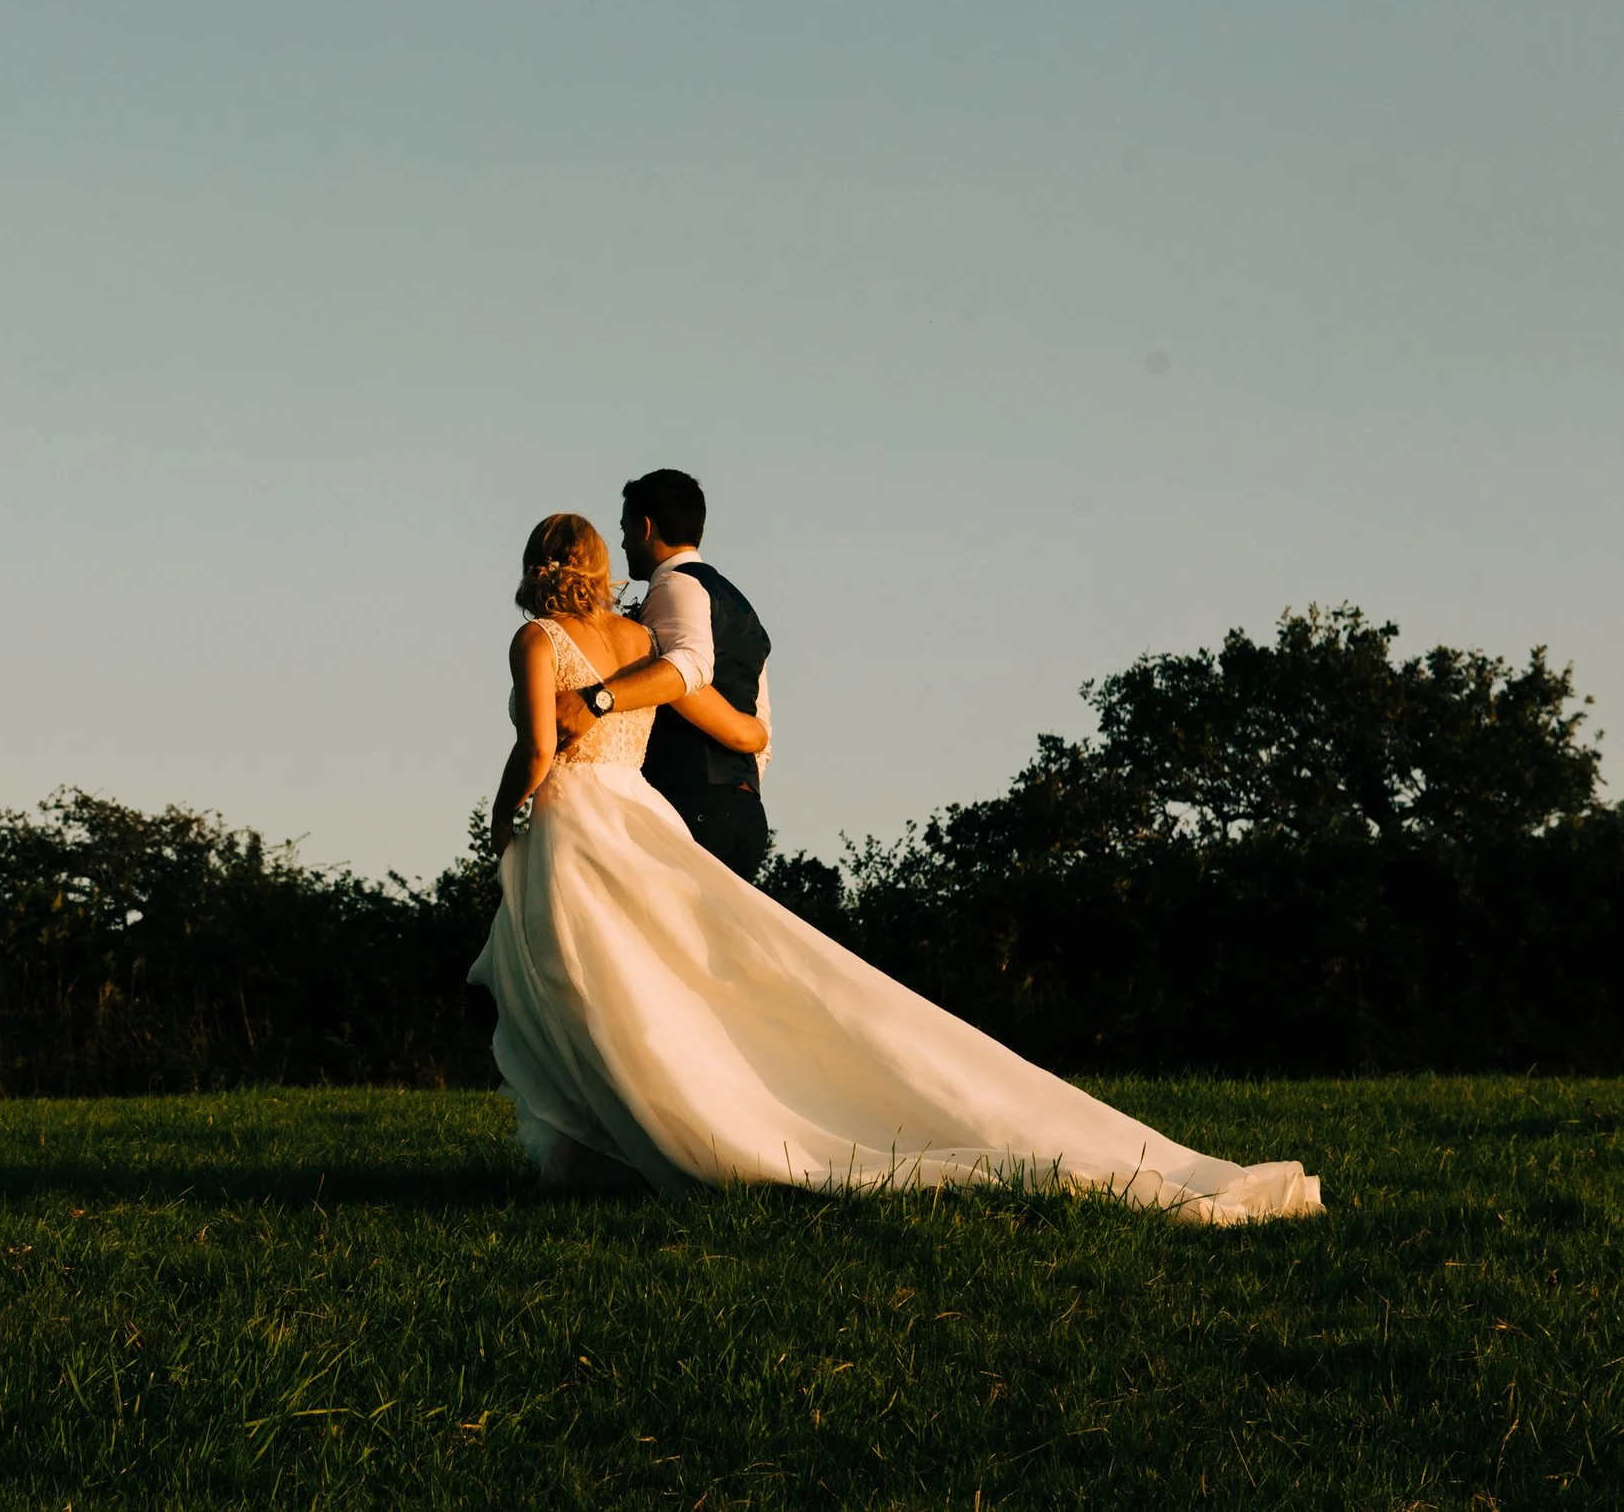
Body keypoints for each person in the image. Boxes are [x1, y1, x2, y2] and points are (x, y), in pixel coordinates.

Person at [468, 511, 1322, 1219]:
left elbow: (539, 746)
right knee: (659, 981)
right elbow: (740, 727)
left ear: (537, 564)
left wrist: (504, 823)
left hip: (577, 822)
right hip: (643, 817)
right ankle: (601, 1153)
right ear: (598, 564)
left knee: (583, 984)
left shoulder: (537, 638)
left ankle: (620, 1149)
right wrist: (753, 739)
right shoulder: (637, 635)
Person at [553, 469, 771, 879]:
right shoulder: (743, 608)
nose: (620, 542)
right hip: (743, 812)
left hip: (691, 803)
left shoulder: (675, 585)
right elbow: (760, 729)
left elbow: (689, 665)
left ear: (645, 527)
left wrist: (596, 699)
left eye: (623, 528)